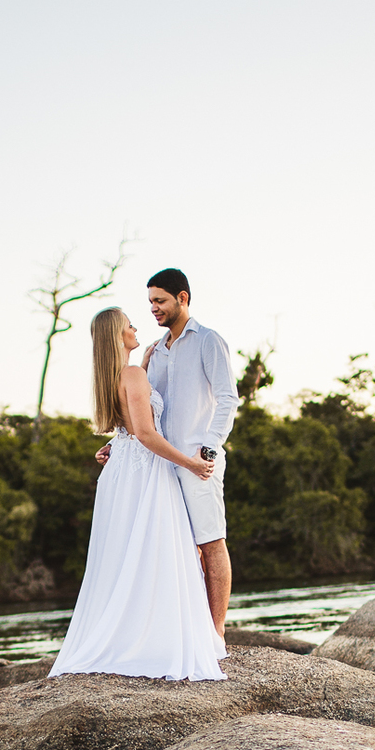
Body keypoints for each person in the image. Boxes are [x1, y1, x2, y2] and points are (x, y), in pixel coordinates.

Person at [50, 307, 226, 682]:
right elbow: (146, 435)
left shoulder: (118, 374)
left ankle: (134, 632)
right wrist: (191, 463)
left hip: (122, 474)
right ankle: (157, 638)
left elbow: (128, 431)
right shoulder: (131, 374)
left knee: (128, 555)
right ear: (117, 334)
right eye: (129, 324)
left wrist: (113, 445)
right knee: (158, 551)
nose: (135, 327)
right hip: (146, 472)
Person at [99, 268, 238, 635]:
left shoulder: (208, 341)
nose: (154, 309)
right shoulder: (153, 353)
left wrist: (208, 450)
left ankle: (217, 632)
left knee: (211, 542)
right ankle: (190, 631)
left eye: (160, 301)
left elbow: (228, 398)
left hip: (198, 461)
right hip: (159, 465)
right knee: (180, 549)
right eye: (150, 303)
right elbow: (143, 415)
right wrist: (115, 444)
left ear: (183, 298)